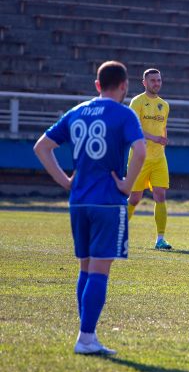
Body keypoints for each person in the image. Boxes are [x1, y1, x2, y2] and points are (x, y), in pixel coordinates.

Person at [33, 61, 146, 355]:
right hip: (107, 201)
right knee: (99, 270)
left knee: (85, 267)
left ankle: (86, 335)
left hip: (79, 200)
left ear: (97, 85)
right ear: (123, 86)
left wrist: (66, 181)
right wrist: (127, 185)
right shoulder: (124, 113)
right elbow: (141, 150)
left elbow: (41, 147)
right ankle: (86, 338)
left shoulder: (77, 111)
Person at [127, 68, 173, 250]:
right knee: (135, 198)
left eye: (159, 80)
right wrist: (154, 138)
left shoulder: (164, 105)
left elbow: (163, 127)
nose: (156, 83)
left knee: (160, 195)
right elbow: (133, 129)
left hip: (159, 158)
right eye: (153, 80)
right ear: (144, 82)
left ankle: (160, 239)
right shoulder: (137, 102)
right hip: (140, 158)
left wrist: (163, 139)